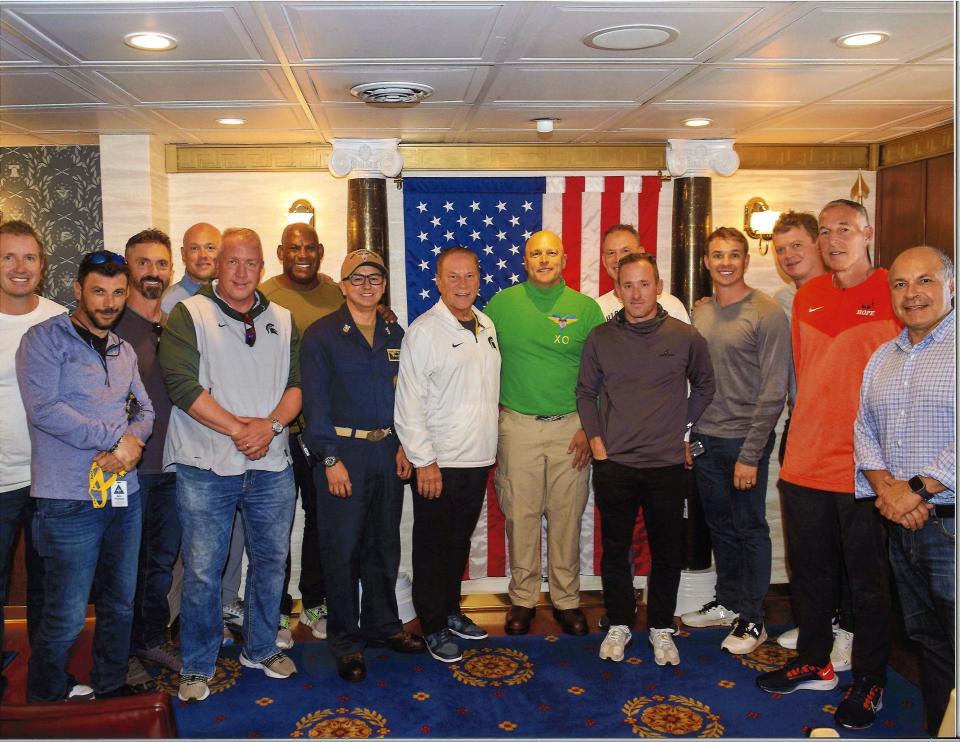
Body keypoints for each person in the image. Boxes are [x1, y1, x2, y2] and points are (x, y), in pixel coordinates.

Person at [757, 200, 901, 732]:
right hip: (804, 461)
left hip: (866, 467)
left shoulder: (893, 289)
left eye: (845, 228)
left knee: (867, 585)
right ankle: (814, 661)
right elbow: (805, 380)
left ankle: (870, 680)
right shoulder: (807, 297)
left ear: (867, 232)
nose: (834, 238)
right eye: (827, 231)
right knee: (810, 576)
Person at [159, 227, 301, 703]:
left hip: (271, 464)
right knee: (203, 569)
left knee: (271, 561)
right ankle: (197, 665)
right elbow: (181, 384)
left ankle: (259, 648)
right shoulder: (189, 313)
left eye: (251, 263)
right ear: (217, 265)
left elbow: (296, 387)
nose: (242, 272)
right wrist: (241, 429)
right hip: (205, 464)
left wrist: (272, 427)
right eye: (233, 261)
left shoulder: (282, 317)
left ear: (264, 267)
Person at [18, 250, 154, 701]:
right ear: (78, 290)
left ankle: (111, 683)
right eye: (99, 291)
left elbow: (145, 409)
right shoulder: (43, 340)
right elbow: (46, 410)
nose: (108, 302)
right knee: (67, 613)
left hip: (123, 495)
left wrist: (132, 443)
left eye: (118, 293)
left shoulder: (124, 348)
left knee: (120, 602)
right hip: (66, 499)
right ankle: (46, 695)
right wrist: (114, 441)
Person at [577, 253, 714, 665]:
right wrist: (596, 441)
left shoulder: (685, 336)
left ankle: (661, 627)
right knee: (616, 550)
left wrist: (684, 429)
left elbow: (706, 387)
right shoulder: (600, 337)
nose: (636, 293)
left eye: (644, 284)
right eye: (628, 285)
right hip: (615, 464)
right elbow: (585, 392)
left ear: (658, 286)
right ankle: (619, 621)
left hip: (666, 466)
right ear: (617, 290)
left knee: (666, 551)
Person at [301, 249, 424, 683]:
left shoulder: (396, 333)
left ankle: (383, 626)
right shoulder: (322, 335)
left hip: (387, 452)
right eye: (357, 277)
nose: (367, 284)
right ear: (342, 285)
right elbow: (314, 405)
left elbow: (409, 397)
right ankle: (346, 643)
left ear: (384, 284)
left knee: (383, 546)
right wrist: (329, 459)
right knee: (342, 552)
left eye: (375, 277)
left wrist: (407, 444)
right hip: (343, 456)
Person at [484, 230, 604, 637]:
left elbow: (603, 375)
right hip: (517, 427)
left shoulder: (586, 309)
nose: (544, 259)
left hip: (572, 427)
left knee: (567, 517)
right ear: (524, 261)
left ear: (565, 259)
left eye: (552, 252)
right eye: (536, 253)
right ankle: (522, 599)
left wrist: (591, 428)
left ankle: (567, 600)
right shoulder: (501, 305)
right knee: (521, 515)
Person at [854, 246, 955, 734]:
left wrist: (914, 490)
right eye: (900, 284)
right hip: (905, 527)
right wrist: (889, 490)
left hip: (951, 526)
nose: (912, 293)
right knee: (929, 643)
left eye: (925, 281)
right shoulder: (883, 357)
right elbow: (863, 429)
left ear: (950, 285)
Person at [681, 227, 790, 655]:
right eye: (717, 255)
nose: (725, 262)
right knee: (720, 528)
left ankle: (754, 618)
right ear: (706, 262)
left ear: (746, 260)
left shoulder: (766, 312)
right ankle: (728, 603)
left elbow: (774, 388)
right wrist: (688, 434)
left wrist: (750, 453)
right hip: (707, 438)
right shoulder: (701, 312)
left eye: (734, 255)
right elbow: (694, 381)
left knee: (750, 529)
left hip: (746, 441)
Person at [394, 246, 500, 663]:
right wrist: (424, 460)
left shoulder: (486, 324)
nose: (462, 284)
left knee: (457, 543)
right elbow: (408, 402)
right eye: (452, 277)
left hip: (477, 458)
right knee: (432, 546)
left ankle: (452, 611)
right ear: (437, 281)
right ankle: (433, 624)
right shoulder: (424, 331)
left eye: (469, 276)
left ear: (479, 279)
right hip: (439, 462)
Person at [770, 212, 853, 670]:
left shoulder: (855, 292)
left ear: (819, 246)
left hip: (847, 441)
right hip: (800, 431)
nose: (789, 256)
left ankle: (847, 629)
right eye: (781, 249)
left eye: (797, 245)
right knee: (808, 546)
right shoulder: (786, 298)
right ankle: (817, 623)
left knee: (848, 548)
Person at [259, 222, 345, 645]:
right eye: (294, 248)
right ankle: (276, 610)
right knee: (276, 521)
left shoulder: (336, 294)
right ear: (281, 252)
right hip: (277, 430)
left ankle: (314, 602)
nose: (303, 254)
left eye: (310, 247)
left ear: (321, 250)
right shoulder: (262, 295)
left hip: (320, 430)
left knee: (319, 519)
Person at [113, 229, 183, 687]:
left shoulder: (176, 326)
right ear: (128, 267)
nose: (153, 273)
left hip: (174, 467)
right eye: (144, 263)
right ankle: (120, 656)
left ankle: (152, 639)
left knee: (160, 563)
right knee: (123, 567)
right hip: (129, 471)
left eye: (160, 264)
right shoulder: (113, 326)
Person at [0, 221, 65, 702]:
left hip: (51, 479)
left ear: (42, 267)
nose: (19, 268)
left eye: (28, 258)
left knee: (49, 586)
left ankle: (47, 679)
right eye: (8, 257)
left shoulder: (62, 320)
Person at [597, 224, 689, 322]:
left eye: (625, 250)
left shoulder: (672, 307)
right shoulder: (596, 307)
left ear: (641, 253)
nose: (618, 258)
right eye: (611, 253)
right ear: (603, 260)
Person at [161, 222, 220, 314]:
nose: (203, 255)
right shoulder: (166, 304)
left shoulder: (236, 297)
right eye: (194, 248)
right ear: (183, 254)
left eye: (210, 248)